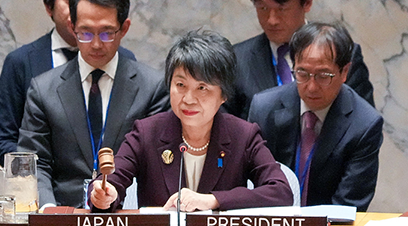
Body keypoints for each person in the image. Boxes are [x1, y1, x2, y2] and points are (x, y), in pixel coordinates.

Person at [90, 30, 293, 212]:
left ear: (223, 96)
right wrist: (105, 194)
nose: (188, 99)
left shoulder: (243, 136)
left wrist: (212, 200)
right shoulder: (147, 132)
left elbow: (281, 192)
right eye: (180, 84)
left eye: (202, 88)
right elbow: (112, 180)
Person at [20, 0, 168, 208]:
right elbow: (35, 163)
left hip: (126, 217)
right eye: (85, 34)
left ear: (124, 28)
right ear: (72, 28)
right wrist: (49, 211)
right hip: (63, 215)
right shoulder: (43, 90)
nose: (96, 44)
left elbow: (155, 165)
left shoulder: (153, 87)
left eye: (107, 33)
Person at [0, 0, 136, 166]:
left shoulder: (126, 60)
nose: (82, 8)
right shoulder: (21, 62)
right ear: (49, 6)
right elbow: (2, 139)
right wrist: (39, 174)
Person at [248, 23, 383, 211]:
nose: (311, 87)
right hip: (271, 225)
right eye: (302, 73)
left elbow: (349, 205)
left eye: (323, 76)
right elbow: (249, 183)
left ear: (344, 72)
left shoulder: (364, 124)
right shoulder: (264, 108)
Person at [227, 0, 374, 118]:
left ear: (307, 2)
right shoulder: (235, 61)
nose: (272, 20)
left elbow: (365, 126)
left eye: (282, 9)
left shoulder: (344, 54)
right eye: (263, 9)